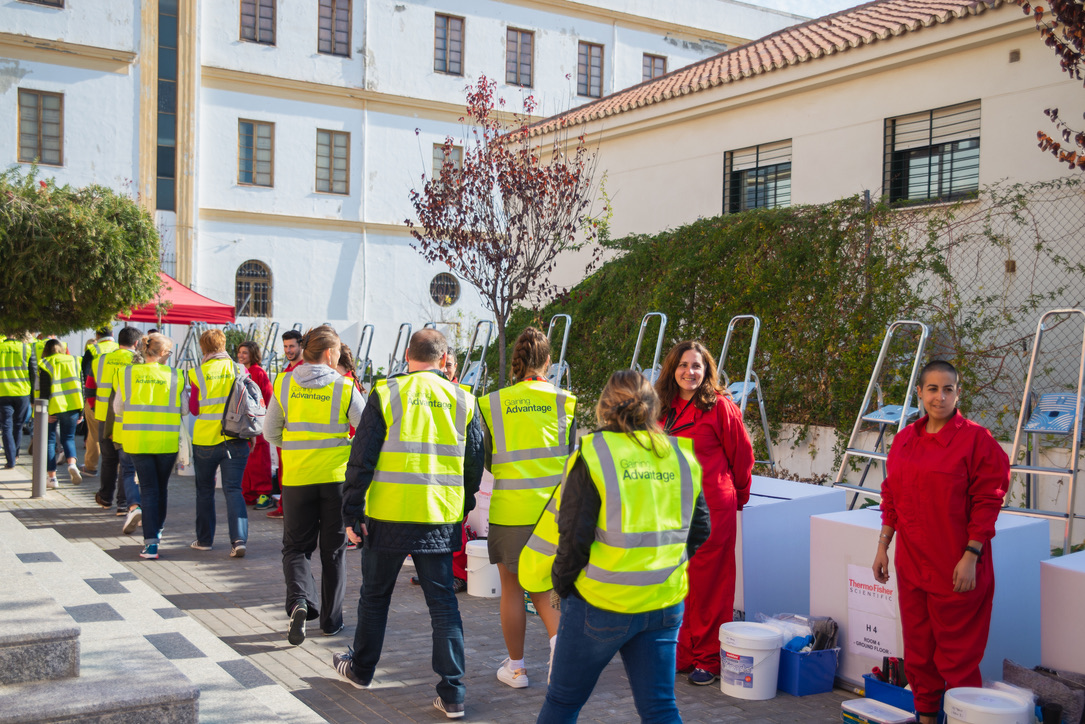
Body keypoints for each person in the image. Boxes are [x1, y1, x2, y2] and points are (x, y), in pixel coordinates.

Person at [529, 369, 709, 723]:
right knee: (660, 707)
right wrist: (667, 563)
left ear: (604, 407)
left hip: (600, 602)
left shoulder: (595, 453)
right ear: (653, 405)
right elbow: (700, 528)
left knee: (563, 703)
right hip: (663, 603)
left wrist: (563, 588)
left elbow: (573, 538)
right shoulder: (679, 455)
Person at [332, 328, 484, 721]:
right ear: (444, 356)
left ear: (407, 354)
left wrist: (351, 513)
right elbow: (473, 462)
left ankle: (362, 671)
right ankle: (453, 693)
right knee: (443, 606)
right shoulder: (465, 398)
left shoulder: (387, 393)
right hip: (439, 516)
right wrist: (463, 505)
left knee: (375, 597)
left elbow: (361, 458)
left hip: (389, 515)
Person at [872, 360, 1009, 724]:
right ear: (919, 392)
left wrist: (972, 554)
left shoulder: (976, 440)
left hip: (956, 567)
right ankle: (927, 717)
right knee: (919, 654)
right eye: (932, 389)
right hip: (912, 565)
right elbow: (892, 495)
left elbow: (988, 499)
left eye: (948, 389)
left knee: (958, 658)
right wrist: (884, 544)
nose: (940, 396)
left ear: (958, 393)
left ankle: (967, 718)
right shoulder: (904, 440)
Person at [478, 327, 575, 689]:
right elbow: (572, 457)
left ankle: (516, 669)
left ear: (516, 363)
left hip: (510, 510)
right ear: (549, 362)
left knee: (513, 588)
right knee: (547, 589)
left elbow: (487, 459)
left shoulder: (493, 403)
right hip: (554, 511)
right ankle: (559, 655)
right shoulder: (566, 401)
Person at [654, 340, 754, 686]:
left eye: (697, 366)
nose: (689, 372)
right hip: (671, 511)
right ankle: (682, 654)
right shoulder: (660, 409)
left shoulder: (721, 408)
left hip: (712, 509)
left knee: (711, 586)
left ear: (707, 370)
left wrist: (738, 496)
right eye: (683, 365)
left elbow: (742, 457)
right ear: (672, 370)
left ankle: (708, 659)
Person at [264, 325, 363, 644]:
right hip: (335, 479)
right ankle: (332, 622)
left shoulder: (285, 382)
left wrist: (293, 447)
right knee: (333, 551)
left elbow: (270, 432)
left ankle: (300, 602)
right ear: (331, 353)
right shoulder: (344, 387)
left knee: (295, 548)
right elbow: (365, 430)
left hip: (296, 478)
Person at [114, 333, 181, 560]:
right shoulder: (175, 375)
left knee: (149, 490)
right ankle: (157, 531)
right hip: (166, 441)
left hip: (138, 440)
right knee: (161, 489)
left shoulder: (128, 373)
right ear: (162, 353)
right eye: (169, 352)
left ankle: (151, 544)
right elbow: (185, 411)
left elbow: (118, 409)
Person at [187, 329, 250, 557]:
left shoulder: (197, 373)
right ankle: (239, 540)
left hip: (205, 440)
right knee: (234, 490)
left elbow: (194, 409)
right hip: (235, 438)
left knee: (204, 491)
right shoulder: (239, 369)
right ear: (223, 344)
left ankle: (204, 540)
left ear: (203, 348)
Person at [94, 326, 142, 528]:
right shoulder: (137, 361)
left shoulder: (102, 358)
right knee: (126, 463)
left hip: (103, 414)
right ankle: (122, 505)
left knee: (107, 459)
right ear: (137, 343)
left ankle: (105, 497)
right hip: (125, 416)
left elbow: (91, 382)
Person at [266, 328, 304, 520]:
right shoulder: (287, 371)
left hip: (298, 431)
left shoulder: (304, 370)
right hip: (285, 430)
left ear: (301, 346)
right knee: (283, 470)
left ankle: (288, 508)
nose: (288, 350)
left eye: (292, 346)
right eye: (285, 346)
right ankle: (283, 506)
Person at [38, 340, 84, 488]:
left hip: (53, 407)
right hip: (73, 405)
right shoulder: (75, 360)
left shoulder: (45, 363)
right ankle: (72, 464)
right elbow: (80, 385)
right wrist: (80, 411)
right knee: (68, 438)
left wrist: (44, 412)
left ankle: (52, 478)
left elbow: (44, 391)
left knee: (50, 441)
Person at [238, 341, 275, 508]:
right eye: (240, 352)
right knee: (247, 462)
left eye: (245, 352)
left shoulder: (258, 372)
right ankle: (248, 493)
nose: (241, 355)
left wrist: (262, 421)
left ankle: (263, 494)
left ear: (253, 354)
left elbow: (267, 398)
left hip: (256, 423)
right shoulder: (240, 372)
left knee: (259, 461)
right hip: (243, 424)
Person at [81, 326, 117, 477]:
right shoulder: (122, 350)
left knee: (94, 435)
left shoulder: (93, 350)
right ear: (112, 334)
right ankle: (120, 468)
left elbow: (87, 374)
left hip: (97, 399)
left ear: (97, 335)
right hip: (119, 400)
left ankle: (91, 466)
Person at [0, 333, 34, 469]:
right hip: (22, 392)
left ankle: (11, 459)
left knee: (6, 426)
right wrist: (33, 398)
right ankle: (15, 455)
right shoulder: (26, 348)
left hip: (3, 392)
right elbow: (33, 373)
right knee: (18, 425)